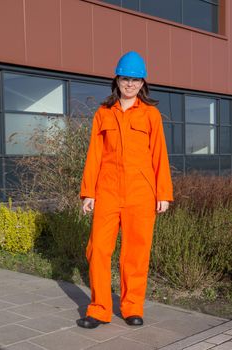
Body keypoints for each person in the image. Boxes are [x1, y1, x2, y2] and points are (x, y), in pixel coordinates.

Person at [77, 51, 173, 329]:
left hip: (141, 194)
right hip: (107, 191)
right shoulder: (103, 114)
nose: (130, 84)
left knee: (136, 253)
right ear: (116, 79)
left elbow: (159, 155)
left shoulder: (151, 115)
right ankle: (98, 309)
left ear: (143, 83)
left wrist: (163, 194)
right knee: (98, 250)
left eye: (135, 79)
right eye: (125, 78)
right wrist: (88, 192)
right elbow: (94, 154)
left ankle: (132, 307)